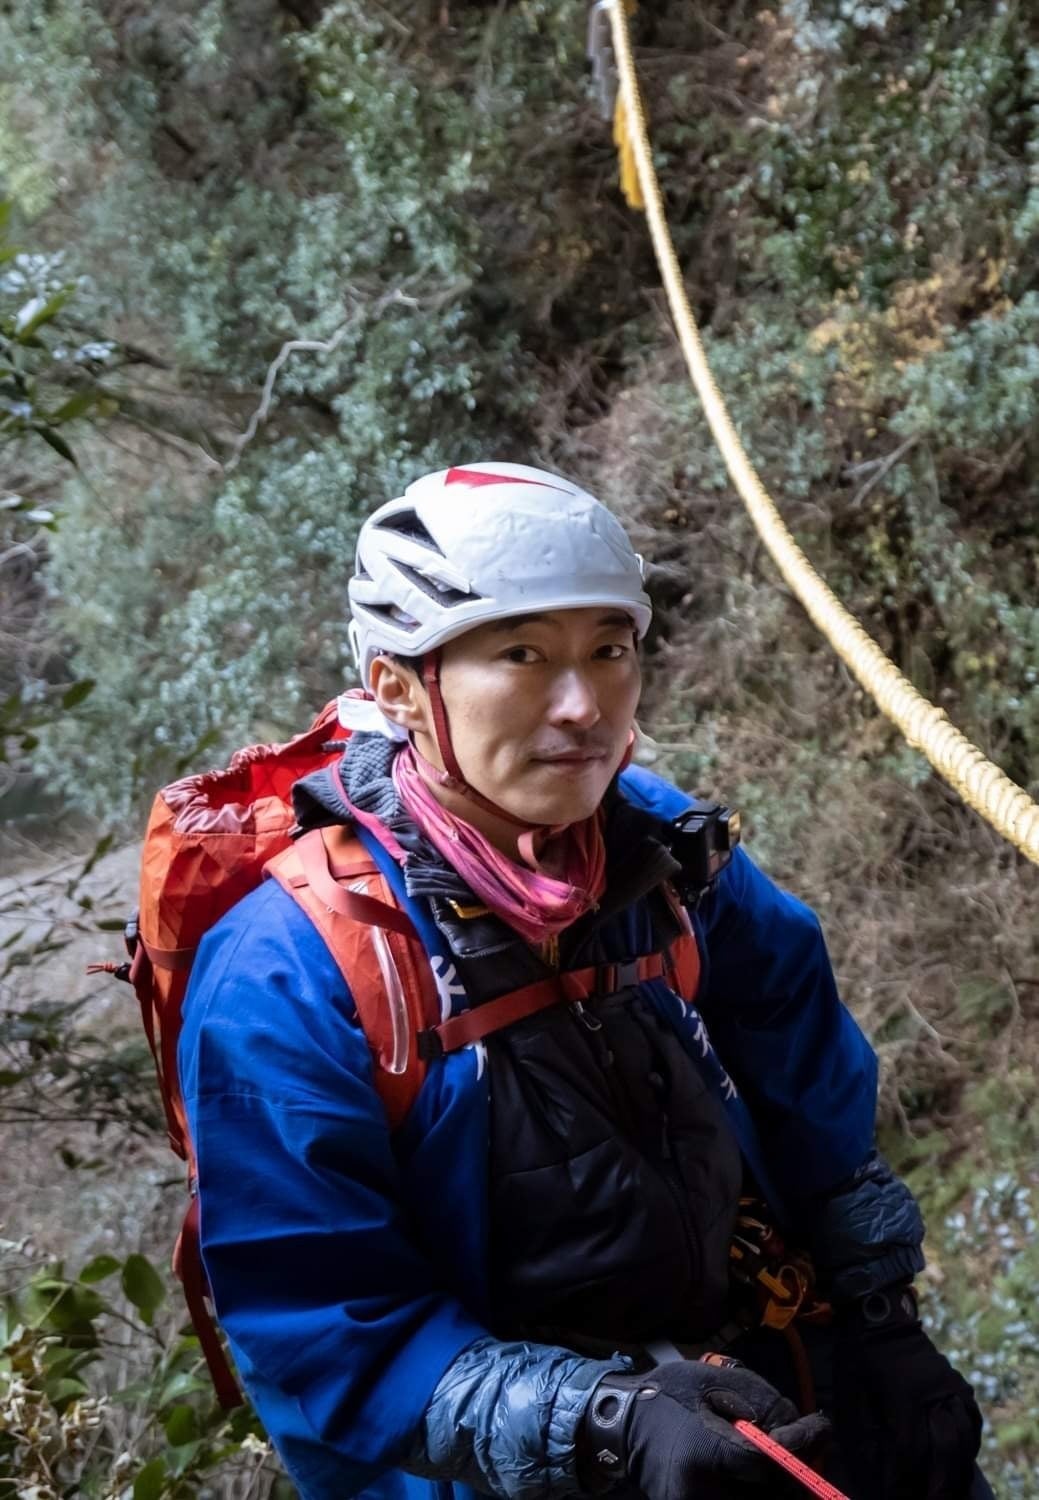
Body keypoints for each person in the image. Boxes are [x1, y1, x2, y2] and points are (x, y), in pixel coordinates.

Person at [179, 462, 987, 1500]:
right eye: (521, 655)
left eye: (609, 651)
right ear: (397, 687)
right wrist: (605, 1423)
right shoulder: (288, 974)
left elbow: (804, 1072)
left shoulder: (659, 847)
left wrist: (882, 1319)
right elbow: (329, 1327)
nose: (582, 706)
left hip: (771, 1375)